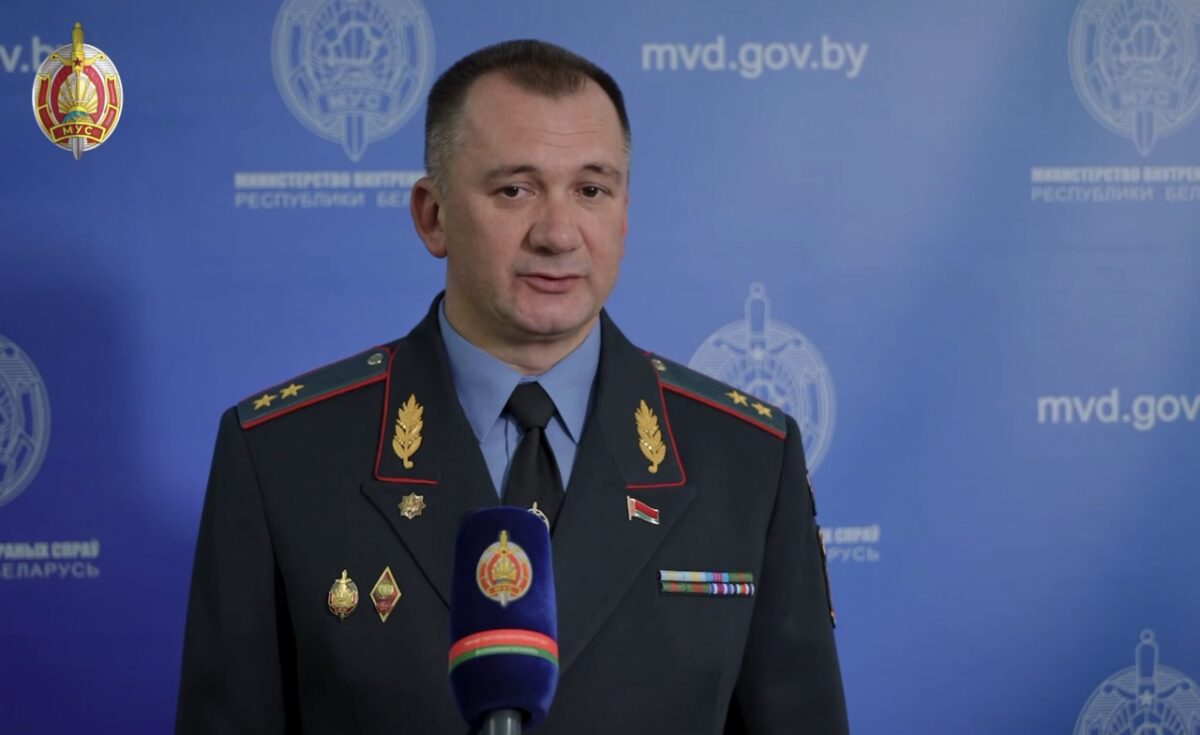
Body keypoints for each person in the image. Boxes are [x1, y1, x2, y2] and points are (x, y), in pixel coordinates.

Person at [176, 40, 848, 734]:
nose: (558, 234)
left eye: (591, 190)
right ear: (433, 215)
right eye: (514, 190)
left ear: (623, 214)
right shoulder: (282, 457)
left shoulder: (747, 458)